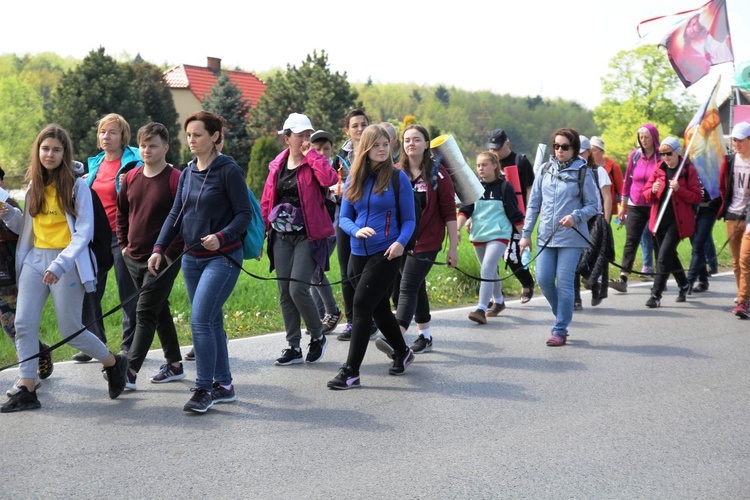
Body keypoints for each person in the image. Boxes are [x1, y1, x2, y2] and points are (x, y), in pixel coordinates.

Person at [1, 124, 127, 412]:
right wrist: (10, 215)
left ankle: (113, 362)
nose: (50, 154)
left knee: (70, 327)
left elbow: (83, 233)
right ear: (38, 151)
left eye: (56, 149)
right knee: (23, 324)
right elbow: (28, 228)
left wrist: (60, 264)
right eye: (45, 148)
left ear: (64, 153)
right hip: (35, 259)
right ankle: (28, 386)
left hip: (67, 262)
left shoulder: (76, 185)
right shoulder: (34, 184)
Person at [149, 111, 252, 413]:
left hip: (222, 257)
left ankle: (204, 388)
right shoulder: (189, 171)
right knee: (212, 320)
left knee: (200, 321)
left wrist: (222, 235)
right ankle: (225, 385)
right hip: (191, 259)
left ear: (215, 137)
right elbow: (175, 214)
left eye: (198, 135)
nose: (191, 140)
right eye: (189, 135)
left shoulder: (228, 170)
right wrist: (159, 248)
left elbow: (244, 214)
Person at [327, 125, 416, 389]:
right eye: (376, 145)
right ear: (365, 148)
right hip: (357, 252)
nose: (381, 150)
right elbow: (344, 218)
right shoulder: (354, 178)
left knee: (362, 305)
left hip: (387, 252)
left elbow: (410, 220)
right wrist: (356, 230)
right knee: (377, 308)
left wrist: (400, 243)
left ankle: (351, 371)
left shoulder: (399, 179)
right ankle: (402, 351)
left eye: (385, 145)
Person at [260, 113, 337, 366]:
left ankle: (317, 337)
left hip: (309, 235)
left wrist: (312, 155)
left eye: (308, 135)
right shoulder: (277, 165)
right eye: (300, 135)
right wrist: (261, 231)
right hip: (281, 235)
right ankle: (293, 346)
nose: (306, 140)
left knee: (297, 288)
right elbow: (267, 199)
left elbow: (329, 180)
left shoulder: (315, 161)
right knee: (284, 292)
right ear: (287, 138)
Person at [116, 123, 184, 390]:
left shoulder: (175, 178)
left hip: (162, 261)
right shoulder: (131, 177)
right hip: (132, 257)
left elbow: (183, 221)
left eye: (152, 145)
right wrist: (123, 246)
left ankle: (129, 372)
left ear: (165, 148)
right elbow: (121, 213)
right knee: (159, 309)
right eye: (143, 145)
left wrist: (168, 255)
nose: (146, 150)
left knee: (144, 313)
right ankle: (175, 364)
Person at [519, 128, 598, 347]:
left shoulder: (583, 172)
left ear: (573, 149)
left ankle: (560, 328)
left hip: (571, 236)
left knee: (564, 282)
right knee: (544, 280)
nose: (559, 150)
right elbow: (534, 204)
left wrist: (576, 216)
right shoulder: (545, 169)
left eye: (565, 147)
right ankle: (561, 314)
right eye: (556, 146)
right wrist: (525, 235)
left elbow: (594, 205)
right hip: (546, 235)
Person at [78, 113, 142, 362]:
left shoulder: (133, 162)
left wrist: (132, 182)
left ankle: (129, 346)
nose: (106, 136)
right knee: (90, 289)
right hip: (96, 235)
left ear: (123, 136)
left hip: (122, 233)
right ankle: (94, 344)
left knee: (127, 291)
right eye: (103, 132)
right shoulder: (94, 164)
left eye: (112, 132)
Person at [393, 124, 457, 351]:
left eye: (417, 139)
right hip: (400, 240)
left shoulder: (438, 174)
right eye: (407, 140)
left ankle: (396, 335)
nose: (411, 143)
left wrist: (453, 248)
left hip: (428, 241)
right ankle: (425, 335)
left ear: (427, 144)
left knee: (408, 285)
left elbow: (449, 211)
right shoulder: (396, 172)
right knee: (415, 285)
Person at [0, 166, 55, 397]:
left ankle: (33, 362)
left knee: (12, 325)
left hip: (6, 276)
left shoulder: (8, 204)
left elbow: (23, 234)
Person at [457, 151, 524, 324]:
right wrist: (456, 228)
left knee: (487, 267)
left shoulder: (505, 187)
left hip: (499, 234)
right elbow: (465, 209)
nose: (480, 168)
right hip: (479, 234)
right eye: (478, 165)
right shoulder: (474, 187)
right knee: (490, 270)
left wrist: (525, 237)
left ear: (495, 165)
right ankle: (499, 301)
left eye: (484, 165)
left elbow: (514, 214)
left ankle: (481, 308)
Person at [331, 109, 378, 340]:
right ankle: (352, 321)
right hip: (345, 217)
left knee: (364, 270)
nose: (360, 129)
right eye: (355, 125)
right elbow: (333, 184)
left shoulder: (377, 151)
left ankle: (370, 318)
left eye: (363, 124)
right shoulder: (340, 156)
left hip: (370, 218)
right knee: (346, 271)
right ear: (347, 130)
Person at [641, 137, 703, 307]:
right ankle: (683, 284)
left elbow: (696, 196)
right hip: (659, 219)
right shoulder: (659, 168)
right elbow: (645, 193)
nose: (665, 158)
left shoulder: (688, 170)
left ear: (677, 152)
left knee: (662, 257)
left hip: (678, 222)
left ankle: (656, 295)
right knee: (669, 255)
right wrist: (652, 191)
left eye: (668, 154)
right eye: (662, 154)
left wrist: (679, 189)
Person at [486, 128, 536, 303]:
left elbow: (530, 188)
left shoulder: (520, 161)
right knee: (490, 258)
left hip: (516, 215)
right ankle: (493, 294)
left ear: (507, 144)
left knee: (512, 256)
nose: (494, 152)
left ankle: (527, 283)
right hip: (493, 217)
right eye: (491, 148)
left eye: (497, 148)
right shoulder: (488, 163)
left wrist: (529, 214)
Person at [610, 124, 661, 292]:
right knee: (631, 240)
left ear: (653, 138)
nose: (643, 140)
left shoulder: (661, 156)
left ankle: (659, 278)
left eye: (646, 137)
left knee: (656, 240)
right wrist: (623, 206)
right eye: (641, 137)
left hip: (655, 204)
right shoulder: (635, 155)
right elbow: (627, 181)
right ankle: (623, 278)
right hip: (636, 203)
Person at [573, 136, 613, 309]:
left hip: (595, 221)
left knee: (592, 258)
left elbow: (607, 198)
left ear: (589, 152)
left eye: (582, 152)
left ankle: (594, 285)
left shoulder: (598, 171)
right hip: (575, 219)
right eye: (577, 153)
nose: (579, 156)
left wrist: (605, 222)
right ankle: (576, 298)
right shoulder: (570, 172)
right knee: (574, 259)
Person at [308, 129, 341, 334]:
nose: (321, 152)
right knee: (311, 272)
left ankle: (332, 311)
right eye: (317, 148)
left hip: (330, 228)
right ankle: (320, 316)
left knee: (314, 270)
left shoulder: (335, 171)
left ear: (331, 150)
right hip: (312, 229)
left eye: (326, 148)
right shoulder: (308, 167)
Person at [717, 122, 750, 318]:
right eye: (735, 140)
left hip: (749, 217)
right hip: (732, 215)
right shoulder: (729, 162)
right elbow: (723, 188)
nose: (737, 143)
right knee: (736, 262)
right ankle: (743, 295)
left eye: (741, 140)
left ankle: (743, 301)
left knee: (746, 260)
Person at [589, 136, 623, 222]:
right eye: (589, 150)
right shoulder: (586, 166)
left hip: (606, 206)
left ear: (602, 152)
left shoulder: (612, 167)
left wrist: (623, 207)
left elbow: (621, 189)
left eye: (594, 150)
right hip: (590, 206)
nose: (590, 153)